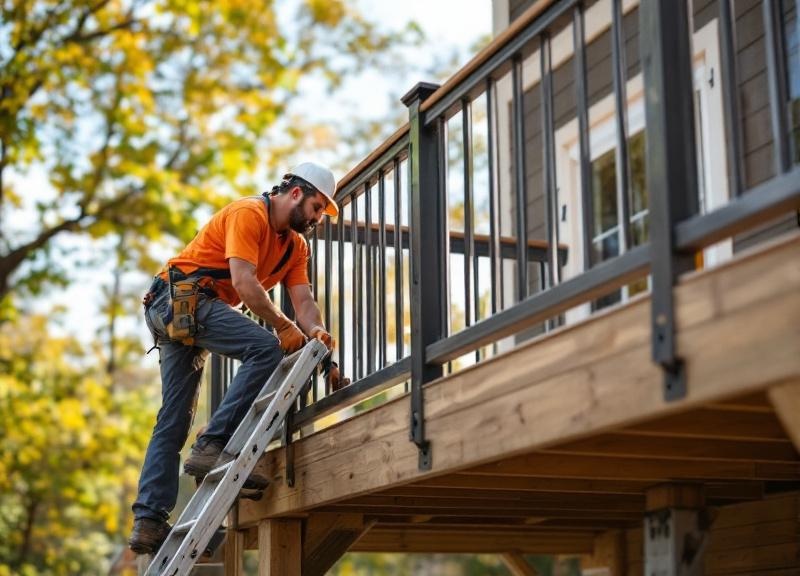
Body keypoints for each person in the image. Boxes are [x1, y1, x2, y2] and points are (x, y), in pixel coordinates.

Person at [129, 162, 344, 554]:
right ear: (296, 193)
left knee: (174, 418)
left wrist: (319, 341)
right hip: (177, 299)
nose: (317, 218)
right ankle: (212, 445)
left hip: (187, 309)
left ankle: (149, 522)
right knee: (265, 347)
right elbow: (245, 283)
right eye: (317, 208)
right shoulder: (249, 213)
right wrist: (283, 327)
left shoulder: (296, 247)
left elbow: (304, 301)